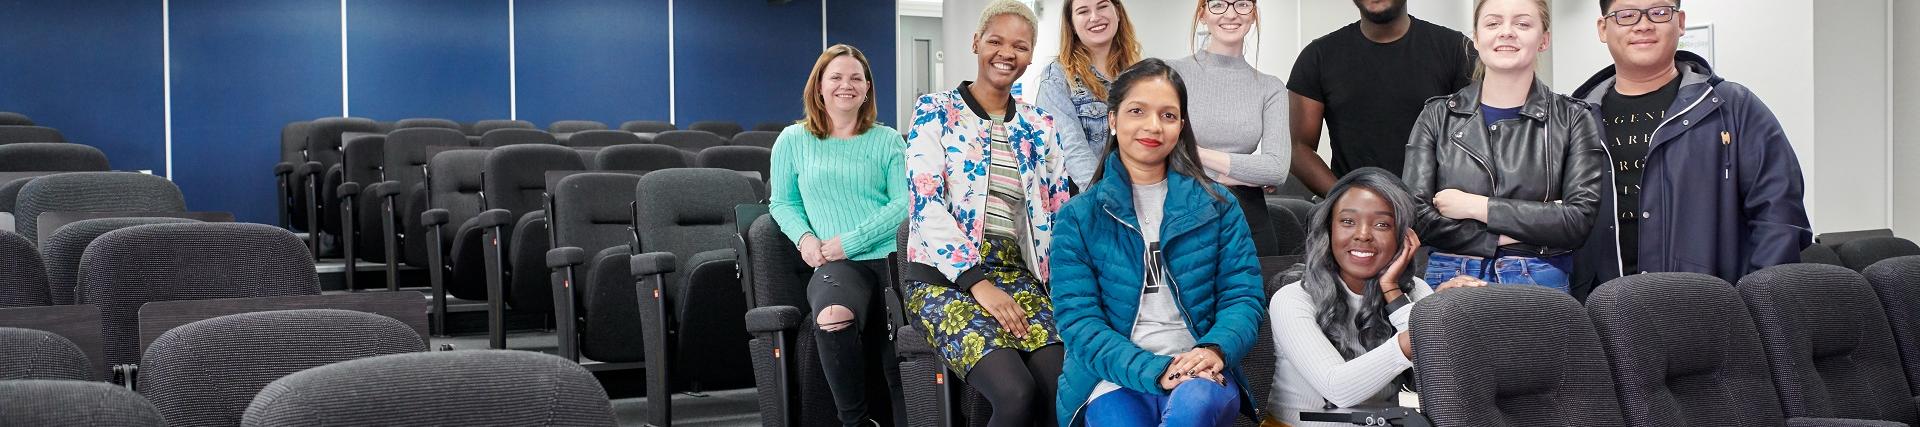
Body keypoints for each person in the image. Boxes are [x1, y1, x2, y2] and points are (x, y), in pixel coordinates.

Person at [1050, 58, 1266, 427]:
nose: (1153, 126)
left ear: (1181, 126)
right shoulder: (1078, 217)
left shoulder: (1217, 205)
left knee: (1193, 408)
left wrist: (1213, 349)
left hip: (1200, 372)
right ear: (1113, 120)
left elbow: (1243, 297)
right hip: (1111, 377)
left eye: (1168, 115)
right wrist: (1157, 369)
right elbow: (1080, 323)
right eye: (1138, 111)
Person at [1569, 0, 1810, 298]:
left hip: (1711, 315)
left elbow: (1780, 217)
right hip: (1602, 316)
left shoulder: (1732, 108)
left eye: (1659, 12)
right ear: (1603, 28)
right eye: (1627, 15)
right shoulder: (1575, 121)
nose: (1643, 25)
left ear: (1680, 22)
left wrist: (1754, 304)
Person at [902, 1, 1071, 425]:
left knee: (1061, 386)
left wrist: (1063, 290)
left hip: (1019, 276)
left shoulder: (1041, 125)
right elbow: (925, 204)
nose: (1006, 53)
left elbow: (1058, 212)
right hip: (944, 279)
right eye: (995, 41)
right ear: (976, 43)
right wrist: (977, 283)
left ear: (1031, 55)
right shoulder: (934, 111)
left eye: (1020, 45)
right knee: (1016, 393)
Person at [1402, 0, 1608, 293]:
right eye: (1493, 23)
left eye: (1522, 24)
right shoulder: (1437, 115)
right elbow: (1416, 216)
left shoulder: (1573, 118)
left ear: (1544, 39)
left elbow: (1577, 221)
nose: (1507, 32)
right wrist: (1522, 228)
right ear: (1476, 37)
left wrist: (1475, 206)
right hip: (1449, 274)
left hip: (1537, 276)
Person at [1262, 168, 1485, 427]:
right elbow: (1338, 389)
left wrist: (1394, 291)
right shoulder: (1293, 298)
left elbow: (1438, 376)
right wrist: (1429, 326)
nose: (1363, 234)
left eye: (1382, 224)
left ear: (1403, 236)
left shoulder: (1414, 290)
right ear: (1328, 230)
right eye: (1347, 221)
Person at [767, 44, 907, 427]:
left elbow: (905, 204)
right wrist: (805, 240)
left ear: (867, 89)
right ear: (819, 86)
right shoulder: (792, 140)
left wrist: (854, 239)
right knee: (830, 317)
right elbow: (782, 203)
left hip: (892, 258)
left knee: (900, 352)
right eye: (836, 77)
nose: (846, 85)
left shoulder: (888, 140)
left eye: (855, 78)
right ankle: (855, 422)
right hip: (837, 264)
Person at [1287, 0, 1475, 196]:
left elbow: (1476, 144)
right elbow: (1298, 148)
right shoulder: (1318, 57)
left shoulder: (1456, 50)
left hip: (1434, 210)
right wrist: (1346, 199)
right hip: (1354, 211)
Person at [1167, 0, 1291, 257]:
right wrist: (1245, 171)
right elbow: (1162, 148)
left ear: (1254, 14)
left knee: (1253, 295)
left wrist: (1196, 154)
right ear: (1202, 14)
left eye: (1242, 4)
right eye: (1218, 4)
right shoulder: (1172, 74)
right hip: (1184, 210)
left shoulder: (1271, 88)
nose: (1231, 14)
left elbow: (1277, 169)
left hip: (1249, 217)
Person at [1038, 0, 1142, 187]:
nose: (1095, 17)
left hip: (1136, 194)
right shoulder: (1058, 76)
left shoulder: (1138, 74)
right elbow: (1072, 148)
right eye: (1083, 11)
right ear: (1072, 25)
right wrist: (1107, 200)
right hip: (1088, 199)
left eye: (1102, 6)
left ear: (1117, 13)